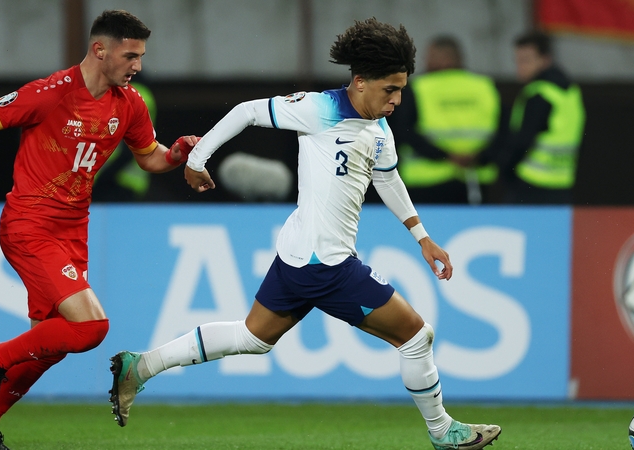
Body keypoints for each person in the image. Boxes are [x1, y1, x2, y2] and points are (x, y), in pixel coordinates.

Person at [109, 18, 501, 450]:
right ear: (360, 82)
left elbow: (387, 179)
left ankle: (140, 367)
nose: (397, 99)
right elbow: (246, 112)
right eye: (390, 89)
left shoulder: (379, 129)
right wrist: (197, 159)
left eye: (401, 89)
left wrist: (422, 238)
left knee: (252, 338)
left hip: (299, 255)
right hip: (325, 264)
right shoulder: (318, 108)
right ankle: (443, 432)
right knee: (415, 336)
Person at [0, 10, 197, 450]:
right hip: (29, 225)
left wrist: (179, 153)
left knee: (49, 346)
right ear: (99, 50)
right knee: (92, 327)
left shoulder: (130, 104)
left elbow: (150, 156)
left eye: (141, 57)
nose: (138, 66)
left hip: (73, 232)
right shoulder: (51, 93)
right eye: (130, 56)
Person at [392, 35, 500, 204]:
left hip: (425, 180)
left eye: (429, 56)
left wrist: (445, 156)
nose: (425, 61)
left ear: (442, 58)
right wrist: (479, 157)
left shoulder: (419, 87)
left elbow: (403, 131)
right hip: (474, 178)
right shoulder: (484, 86)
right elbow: (502, 131)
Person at [482, 31, 585, 204]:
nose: (520, 67)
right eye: (517, 61)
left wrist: (506, 170)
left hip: (531, 182)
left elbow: (522, 140)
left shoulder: (539, 93)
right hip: (562, 181)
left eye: (526, 60)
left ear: (545, 60)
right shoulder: (570, 91)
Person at [92, 79, 156, 201]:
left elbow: (131, 147)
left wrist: (103, 178)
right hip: (119, 180)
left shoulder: (130, 94)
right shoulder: (129, 92)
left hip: (118, 181)